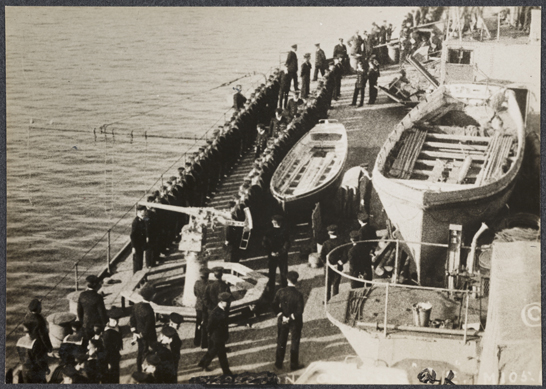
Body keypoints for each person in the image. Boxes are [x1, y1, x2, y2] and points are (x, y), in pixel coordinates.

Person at [273, 271, 305, 371]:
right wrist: (290, 317)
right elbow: (300, 311)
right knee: (295, 342)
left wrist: (281, 315)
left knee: (281, 341)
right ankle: (294, 364)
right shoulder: (298, 294)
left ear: (287, 280)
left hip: (282, 320)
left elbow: (274, 305)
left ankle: (278, 363)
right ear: (296, 281)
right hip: (295, 321)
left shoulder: (280, 292)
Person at [198, 292, 233, 375]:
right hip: (216, 338)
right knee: (222, 355)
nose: (228, 303)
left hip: (220, 337)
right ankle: (227, 372)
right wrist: (212, 335)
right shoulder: (215, 313)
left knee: (212, 352)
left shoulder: (224, 309)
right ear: (221, 302)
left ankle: (203, 364)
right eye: (226, 302)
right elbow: (209, 326)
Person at [130, 284, 157, 372]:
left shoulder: (136, 306)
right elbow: (149, 327)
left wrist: (135, 332)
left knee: (140, 352)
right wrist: (142, 335)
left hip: (138, 333)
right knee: (147, 353)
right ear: (152, 297)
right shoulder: (149, 311)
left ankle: (139, 370)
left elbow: (132, 320)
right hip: (148, 336)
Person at [23, 299, 53, 378]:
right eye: (40, 306)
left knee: (34, 359)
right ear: (38, 308)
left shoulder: (27, 316)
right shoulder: (39, 319)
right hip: (39, 344)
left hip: (30, 342)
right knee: (41, 360)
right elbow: (44, 336)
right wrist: (49, 347)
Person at [262, 215, 291, 292]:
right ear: (280, 223)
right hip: (282, 256)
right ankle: (284, 287)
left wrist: (271, 252)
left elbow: (264, 244)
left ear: (273, 222)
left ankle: (271, 288)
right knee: (283, 272)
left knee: (272, 272)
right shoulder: (285, 232)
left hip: (272, 256)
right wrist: (280, 252)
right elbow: (287, 244)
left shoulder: (268, 232)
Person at [321, 225, 346, 301]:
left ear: (329, 233)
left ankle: (327, 299)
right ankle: (335, 300)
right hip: (338, 266)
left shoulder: (326, 243)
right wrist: (340, 262)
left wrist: (326, 263)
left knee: (327, 284)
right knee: (336, 284)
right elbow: (345, 255)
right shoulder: (341, 242)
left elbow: (322, 256)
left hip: (328, 266)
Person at [101, 307, 123, 383]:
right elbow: (107, 349)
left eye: (117, 320)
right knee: (113, 375)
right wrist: (109, 362)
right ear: (109, 320)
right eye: (114, 320)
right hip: (111, 358)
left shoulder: (116, 327)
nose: (116, 322)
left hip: (116, 354)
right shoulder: (108, 333)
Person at [194, 267, 211, 348]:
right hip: (205, 307)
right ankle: (204, 343)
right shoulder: (209, 285)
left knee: (198, 323)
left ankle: (197, 340)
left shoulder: (197, 283)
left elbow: (195, 293)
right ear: (207, 276)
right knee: (204, 324)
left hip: (198, 307)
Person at [131, 205, 148, 273]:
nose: (145, 212)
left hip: (141, 244)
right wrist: (133, 247)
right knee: (137, 262)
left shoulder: (142, 220)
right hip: (137, 245)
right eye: (144, 210)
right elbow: (132, 236)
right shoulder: (136, 222)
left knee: (140, 261)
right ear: (140, 211)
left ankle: (139, 274)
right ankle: (136, 276)